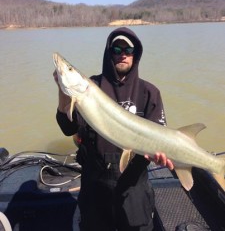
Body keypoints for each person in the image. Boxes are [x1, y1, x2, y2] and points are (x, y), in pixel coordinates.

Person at [54, 27, 174, 231]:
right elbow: (68, 127)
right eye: (117, 49)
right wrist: (62, 89)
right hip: (95, 187)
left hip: (134, 187)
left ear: (136, 54)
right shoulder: (91, 87)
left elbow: (160, 136)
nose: (123, 54)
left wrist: (159, 155)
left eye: (128, 50)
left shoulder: (149, 93)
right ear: (109, 53)